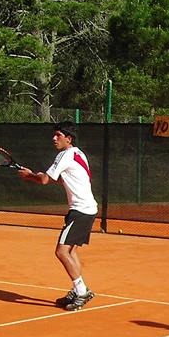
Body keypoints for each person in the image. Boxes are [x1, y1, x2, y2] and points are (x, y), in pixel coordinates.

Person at [18, 121, 98, 311]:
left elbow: (44, 180)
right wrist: (43, 176)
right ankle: (78, 290)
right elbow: (66, 178)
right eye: (54, 135)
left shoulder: (65, 154)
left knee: (61, 252)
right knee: (71, 252)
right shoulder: (78, 153)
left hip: (80, 211)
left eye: (58, 135)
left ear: (68, 139)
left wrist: (30, 175)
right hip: (88, 209)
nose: (54, 138)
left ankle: (82, 291)